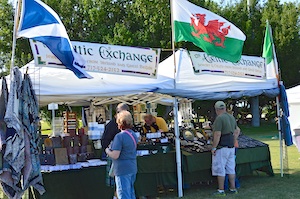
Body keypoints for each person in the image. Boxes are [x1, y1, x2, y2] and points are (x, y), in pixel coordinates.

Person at [105, 110, 138, 199]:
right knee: (131, 193)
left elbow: (115, 155)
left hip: (122, 169)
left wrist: (107, 151)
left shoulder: (119, 136)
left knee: (123, 194)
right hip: (132, 167)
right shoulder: (133, 134)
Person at [211, 101, 240, 196]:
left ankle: (221, 190)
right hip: (231, 147)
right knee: (231, 168)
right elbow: (237, 130)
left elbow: (217, 134)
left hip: (222, 147)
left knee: (220, 169)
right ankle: (233, 188)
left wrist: (214, 147)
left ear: (216, 110)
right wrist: (233, 140)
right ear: (224, 108)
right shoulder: (231, 117)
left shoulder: (219, 118)